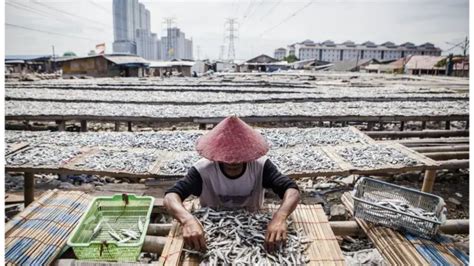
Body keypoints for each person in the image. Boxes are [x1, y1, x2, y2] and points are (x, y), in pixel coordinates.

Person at [164, 116, 300, 253]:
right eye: (227, 156)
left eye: (238, 156)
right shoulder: (202, 170)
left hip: (254, 225)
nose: (233, 161)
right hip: (211, 229)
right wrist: (187, 220)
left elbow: (291, 190)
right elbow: (171, 196)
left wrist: (280, 217)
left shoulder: (261, 166)